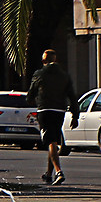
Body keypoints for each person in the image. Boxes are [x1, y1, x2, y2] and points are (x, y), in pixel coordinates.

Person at [26, 49, 77, 185]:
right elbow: (72, 96)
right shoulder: (65, 75)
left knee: (51, 141)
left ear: (44, 61)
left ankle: (59, 171)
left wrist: (30, 98)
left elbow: (31, 92)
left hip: (45, 110)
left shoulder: (39, 74)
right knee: (53, 140)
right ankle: (49, 174)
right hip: (60, 111)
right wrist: (75, 115)